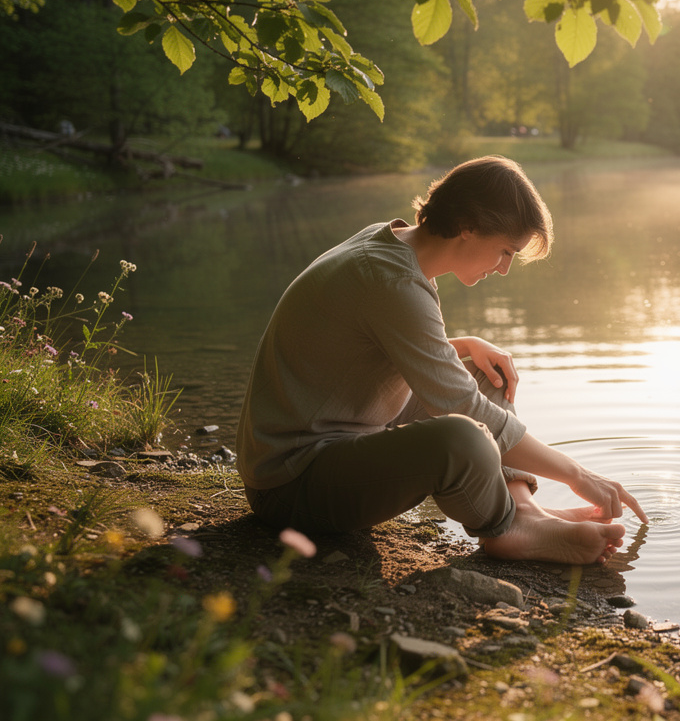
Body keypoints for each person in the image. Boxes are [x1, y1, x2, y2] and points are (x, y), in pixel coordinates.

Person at [236, 156, 646, 565]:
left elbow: (369, 346)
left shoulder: (392, 247)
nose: (504, 269)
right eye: (505, 251)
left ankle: (522, 512)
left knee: (491, 375)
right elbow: (460, 406)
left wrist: (462, 344)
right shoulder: (393, 281)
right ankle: (506, 529)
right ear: (469, 226)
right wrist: (578, 474)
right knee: (463, 436)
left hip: (342, 435)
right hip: (291, 483)